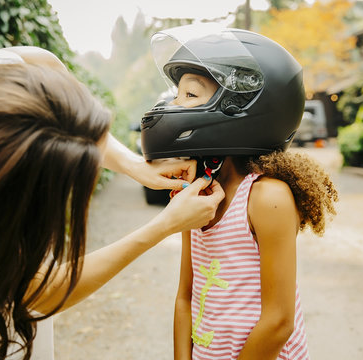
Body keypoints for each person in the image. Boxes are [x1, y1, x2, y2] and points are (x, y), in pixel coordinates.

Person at [0, 46, 225, 360]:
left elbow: (72, 120)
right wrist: (164, 225)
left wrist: (136, 167)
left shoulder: (25, 67)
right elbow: (40, 291)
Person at [140, 24, 338, 360]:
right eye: (176, 95)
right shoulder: (197, 196)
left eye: (189, 95)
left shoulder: (265, 197)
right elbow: (185, 297)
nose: (174, 106)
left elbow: (278, 322)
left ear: (239, 108)